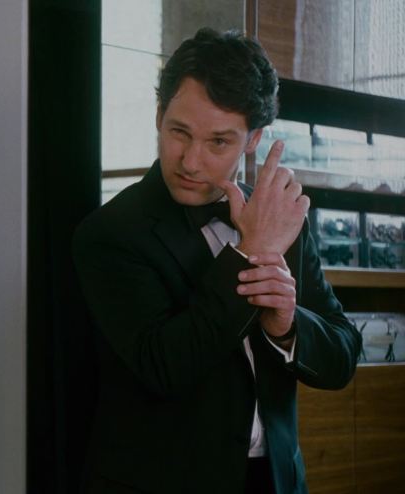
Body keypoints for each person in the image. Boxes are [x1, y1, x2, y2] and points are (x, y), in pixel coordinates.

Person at [73, 28, 361, 494]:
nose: (191, 161)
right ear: (158, 115)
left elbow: (343, 355)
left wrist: (287, 327)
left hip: (275, 481)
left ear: (253, 139)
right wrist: (249, 253)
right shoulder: (109, 233)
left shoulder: (281, 219)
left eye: (219, 142)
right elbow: (165, 365)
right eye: (179, 132)